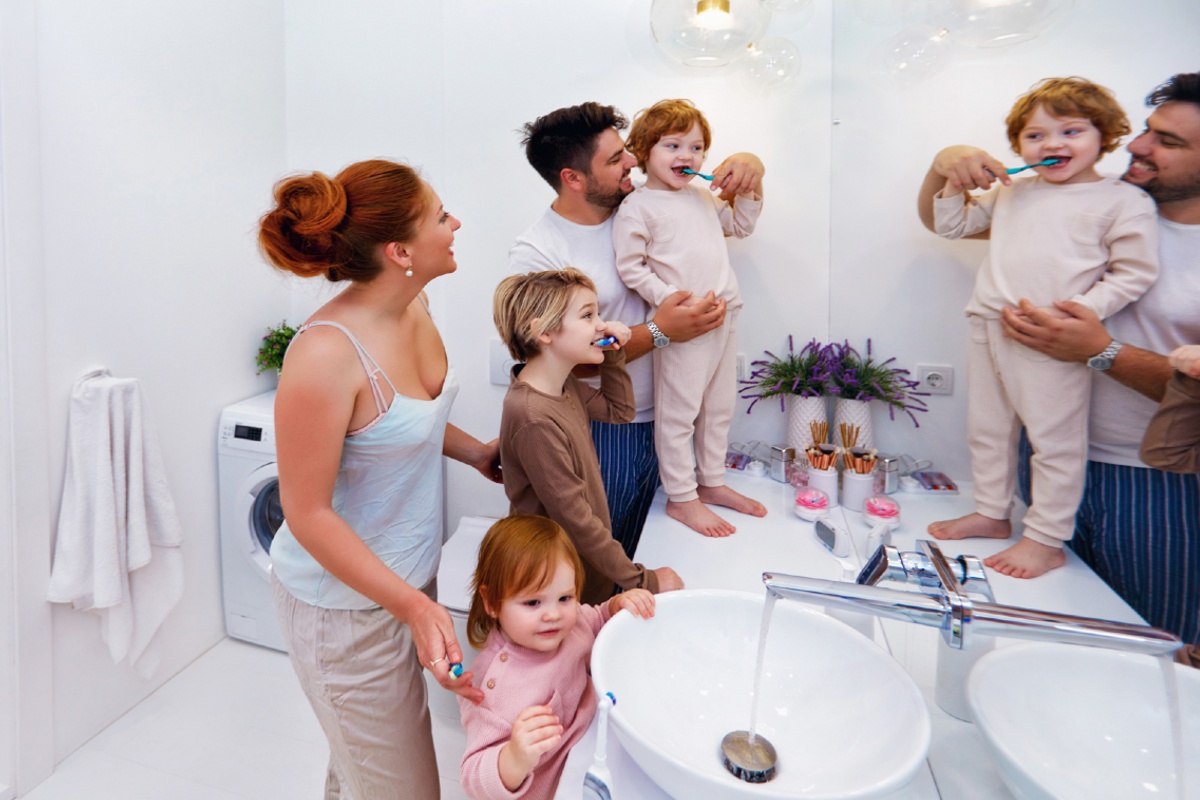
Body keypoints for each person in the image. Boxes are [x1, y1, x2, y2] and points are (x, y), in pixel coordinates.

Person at [918, 72, 1200, 644]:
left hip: (1134, 451)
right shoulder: (1019, 190)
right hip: (991, 324)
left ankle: (1044, 539)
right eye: (1035, 136)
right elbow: (949, 222)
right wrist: (948, 167)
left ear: (1104, 137)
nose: (1053, 146)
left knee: (1055, 437)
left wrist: (1080, 318)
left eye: (1072, 131)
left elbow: (1133, 273)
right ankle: (994, 511)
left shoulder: (1121, 202)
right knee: (988, 429)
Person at [258, 159, 501, 800]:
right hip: (344, 612)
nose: (455, 225)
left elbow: (401, 426)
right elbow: (306, 513)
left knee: (362, 769)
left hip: (403, 581)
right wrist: (415, 607)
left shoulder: (414, 303)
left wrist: (475, 452)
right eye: (441, 216)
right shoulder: (324, 355)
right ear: (400, 251)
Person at [511, 102, 765, 555]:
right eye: (615, 159)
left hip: (669, 426)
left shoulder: (647, 200)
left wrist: (751, 167)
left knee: (661, 556)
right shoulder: (538, 254)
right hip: (606, 430)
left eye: (626, 151)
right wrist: (663, 330)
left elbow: (718, 218)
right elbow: (550, 365)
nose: (631, 160)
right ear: (573, 178)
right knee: (602, 560)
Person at [613, 99, 767, 537]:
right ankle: (682, 497)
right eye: (672, 145)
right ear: (644, 152)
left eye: (696, 148)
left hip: (726, 314)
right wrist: (672, 301)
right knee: (680, 413)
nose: (687, 156)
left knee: (718, 407)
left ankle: (712, 482)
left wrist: (750, 190)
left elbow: (739, 225)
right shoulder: (637, 206)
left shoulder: (702, 197)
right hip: (685, 324)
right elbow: (631, 267)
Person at [493, 268, 684, 604]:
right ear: (545, 332)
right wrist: (644, 580)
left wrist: (611, 352)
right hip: (551, 579)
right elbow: (576, 519)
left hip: (577, 565)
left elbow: (619, 410)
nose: (601, 324)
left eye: (598, 314)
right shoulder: (533, 415)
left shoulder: (564, 387)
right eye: (587, 315)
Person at [458, 515, 655, 799]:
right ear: (491, 602)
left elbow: (596, 618)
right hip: (554, 785)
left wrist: (617, 605)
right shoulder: (491, 688)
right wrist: (513, 759)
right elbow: (472, 776)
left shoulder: (569, 624)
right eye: (533, 602)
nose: (553, 615)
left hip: (590, 744)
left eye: (565, 598)